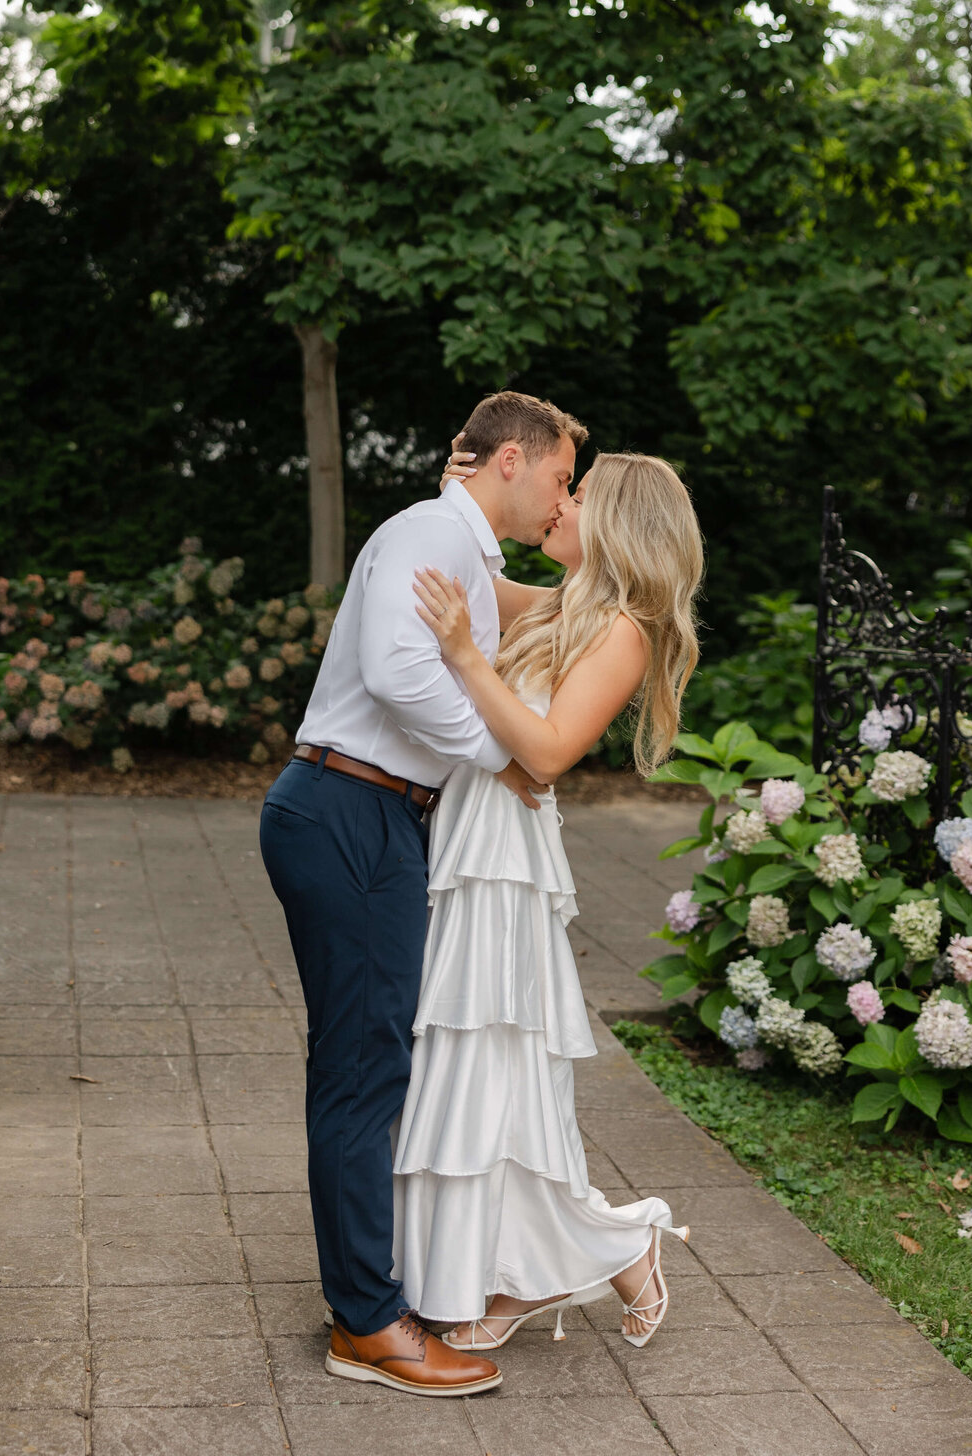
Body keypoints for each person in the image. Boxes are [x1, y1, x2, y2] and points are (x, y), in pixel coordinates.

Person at [258, 391, 587, 1396]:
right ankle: (366, 1326)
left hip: (375, 814)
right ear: (511, 461)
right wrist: (509, 758)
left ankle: (369, 1302)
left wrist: (600, 564)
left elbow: (575, 610)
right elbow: (402, 670)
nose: (561, 500)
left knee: (370, 1062)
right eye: (562, 480)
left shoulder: (470, 555)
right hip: (350, 808)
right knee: (362, 1072)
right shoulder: (428, 534)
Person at [392, 444, 704, 1350]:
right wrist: (463, 492)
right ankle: (559, 1261)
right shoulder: (564, 607)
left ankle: (561, 1259)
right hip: (470, 840)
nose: (558, 503)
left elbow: (550, 750)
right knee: (480, 1067)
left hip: (506, 864)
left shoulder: (623, 632)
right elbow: (462, 575)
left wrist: (465, 659)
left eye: (577, 493)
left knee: (493, 1062)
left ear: (618, 523)